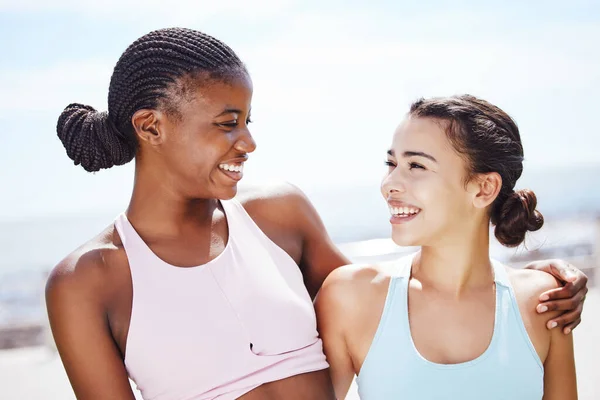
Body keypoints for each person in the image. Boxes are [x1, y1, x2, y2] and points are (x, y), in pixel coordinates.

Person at [46, 29, 586, 400]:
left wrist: (535, 284)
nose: (248, 142)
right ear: (150, 126)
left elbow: (401, 305)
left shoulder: (279, 215)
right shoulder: (88, 281)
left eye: (249, 120)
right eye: (228, 122)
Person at [315, 95, 579, 400]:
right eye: (392, 163)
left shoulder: (546, 302)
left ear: (484, 188)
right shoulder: (351, 296)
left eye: (416, 165)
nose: (389, 184)